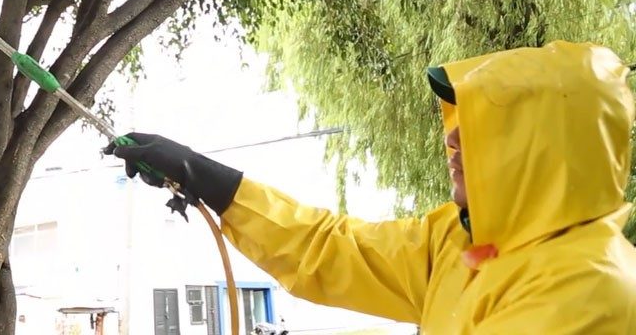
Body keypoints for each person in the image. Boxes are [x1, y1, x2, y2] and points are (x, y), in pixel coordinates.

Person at [106, 40, 636, 333]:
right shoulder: (461, 242)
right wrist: (208, 179)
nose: (451, 141)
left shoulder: (593, 290)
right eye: (455, 123)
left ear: (544, 149)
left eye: (482, 128)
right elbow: (330, 248)